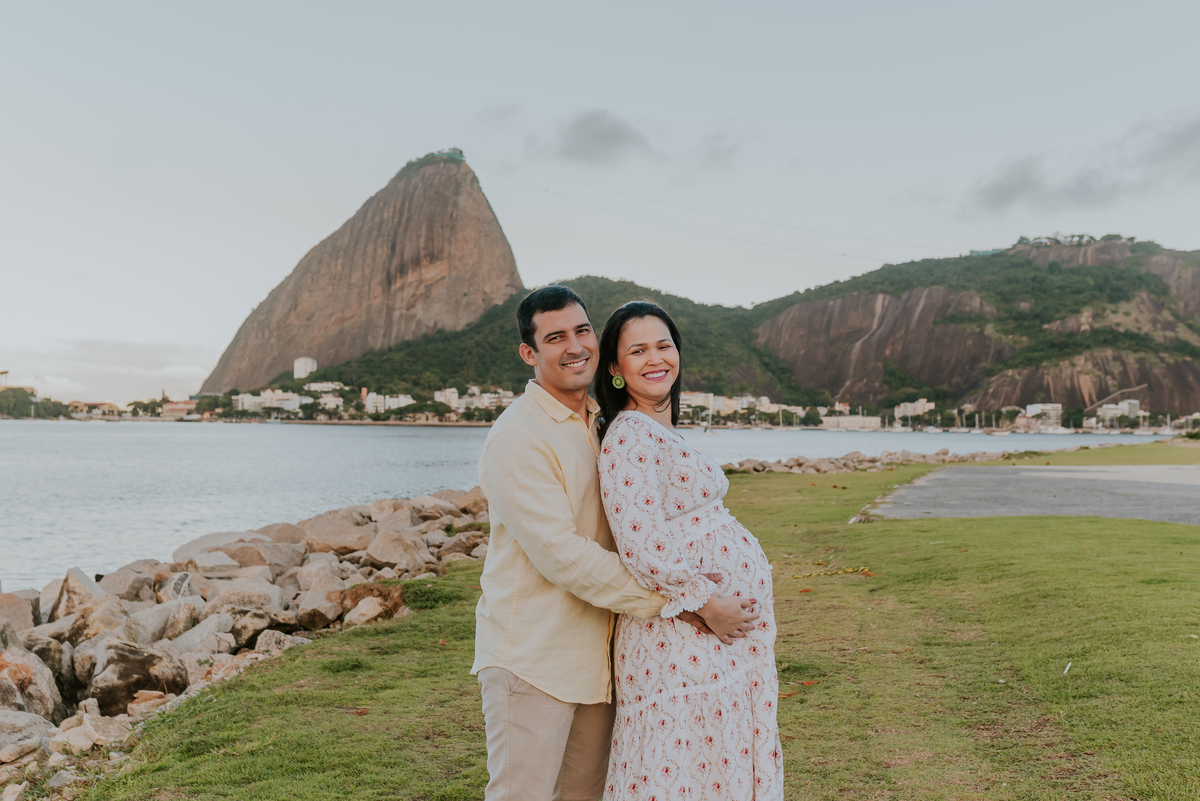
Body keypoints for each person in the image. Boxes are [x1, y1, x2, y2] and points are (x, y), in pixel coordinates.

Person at [472, 286, 759, 801]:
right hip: (535, 658)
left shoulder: (597, 427)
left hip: (600, 659)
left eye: (583, 331)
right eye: (555, 337)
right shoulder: (520, 436)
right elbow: (564, 556)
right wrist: (684, 603)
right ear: (529, 353)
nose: (575, 345)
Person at [594, 300, 783, 800]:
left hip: (709, 644)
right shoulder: (629, 435)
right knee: (682, 773)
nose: (656, 359)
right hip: (680, 641)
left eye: (664, 345)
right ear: (615, 367)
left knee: (712, 769)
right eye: (638, 350)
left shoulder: (659, 430)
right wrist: (707, 604)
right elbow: (640, 544)